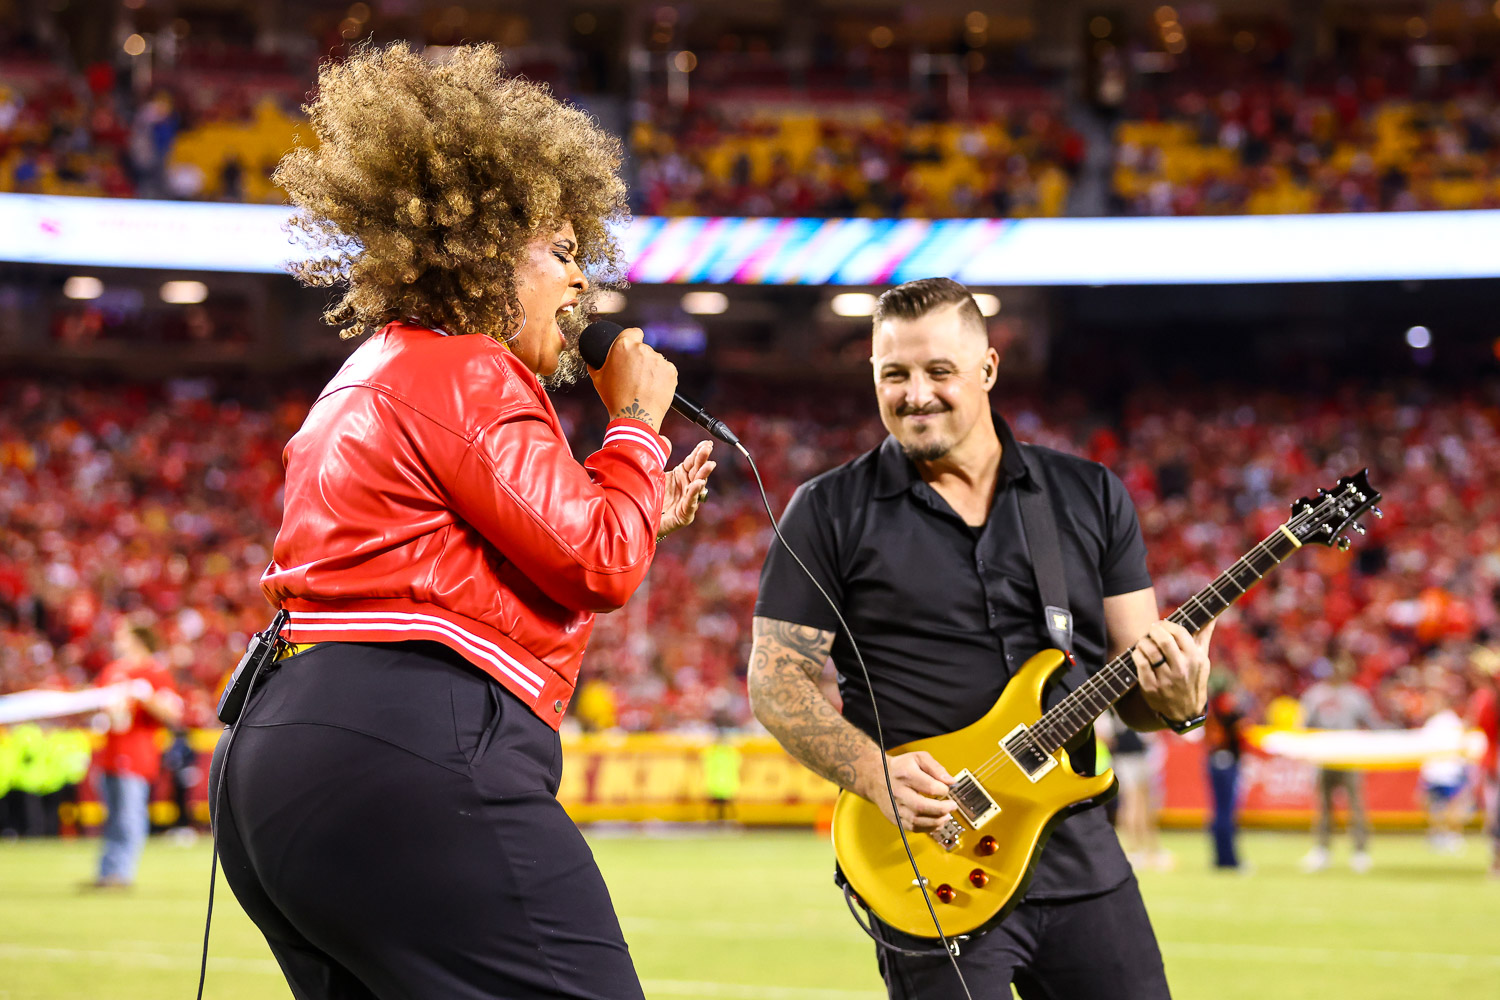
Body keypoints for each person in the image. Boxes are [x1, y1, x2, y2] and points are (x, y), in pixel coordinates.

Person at [207, 42, 715, 1000]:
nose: (581, 285)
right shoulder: (471, 367)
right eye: (562, 252)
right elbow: (598, 560)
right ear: (483, 246)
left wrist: (643, 505)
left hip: (279, 755)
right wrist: (637, 428)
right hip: (408, 745)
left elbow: (461, 555)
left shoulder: (371, 372)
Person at [749, 278, 1213, 1000]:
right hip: (931, 863)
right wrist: (874, 776)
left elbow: (1138, 687)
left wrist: (1180, 703)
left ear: (988, 370)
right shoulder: (827, 511)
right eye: (893, 374)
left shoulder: (1089, 494)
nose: (916, 394)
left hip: (1080, 853)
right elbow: (776, 680)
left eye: (939, 371)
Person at [90, 620, 181, 888]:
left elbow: (173, 713)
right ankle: (108, 872)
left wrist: (146, 697)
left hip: (137, 754)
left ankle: (121, 872)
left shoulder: (155, 672)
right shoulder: (113, 670)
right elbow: (95, 706)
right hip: (109, 752)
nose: (117, 639)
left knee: (129, 815)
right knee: (112, 817)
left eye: (123, 635)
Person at [1299, 649, 1380, 873]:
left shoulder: (1356, 695)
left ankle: (1360, 851)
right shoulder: (1315, 695)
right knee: (1323, 807)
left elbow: (1371, 723)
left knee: (1356, 806)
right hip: (1323, 757)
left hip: (1350, 757)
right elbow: (1304, 725)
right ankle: (1322, 850)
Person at [1204, 673, 1249, 871]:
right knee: (1226, 812)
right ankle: (1229, 859)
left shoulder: (1209, 706)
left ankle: (1221, 857)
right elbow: (1240, 729)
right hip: (1226, 759)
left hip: (1214, 759)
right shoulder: (1226, 706)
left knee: (1219, 811)